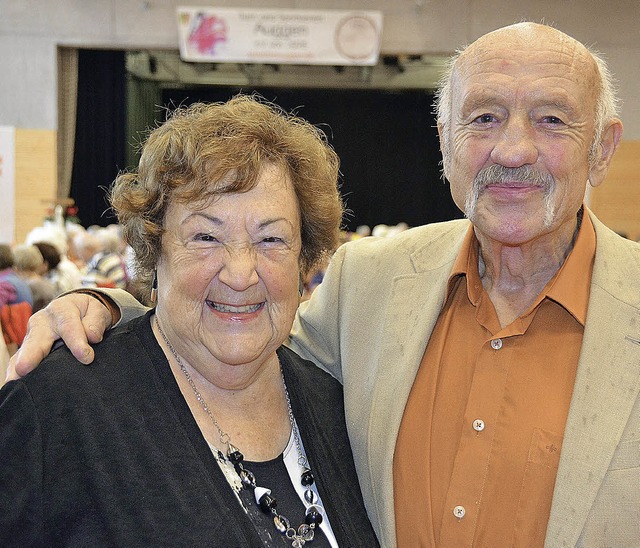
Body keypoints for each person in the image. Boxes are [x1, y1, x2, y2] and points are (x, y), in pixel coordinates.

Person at [6, 22, 640, 547]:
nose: (514, 149)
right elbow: (222, 338)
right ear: (445, 140)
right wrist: (105, 311)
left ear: (604, 149)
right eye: (485, 116)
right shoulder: (373, 283)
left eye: (553, 119)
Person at [0, 96, 379, 547]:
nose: (240, 273)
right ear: (154, 250)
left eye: (271, 238)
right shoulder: (58, 410)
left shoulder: (339, 409)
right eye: (205, 236)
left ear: (304, 259)